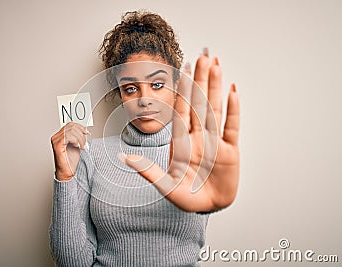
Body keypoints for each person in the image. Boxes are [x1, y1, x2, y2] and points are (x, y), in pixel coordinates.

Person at [49, 10, 240, 267]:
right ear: (120, 96)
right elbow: (72, 263)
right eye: (130, 88)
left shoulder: (196, 152)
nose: (144, 99)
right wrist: (64, 176)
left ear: (176, 87)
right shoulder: (90, 154)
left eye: (157, 84)